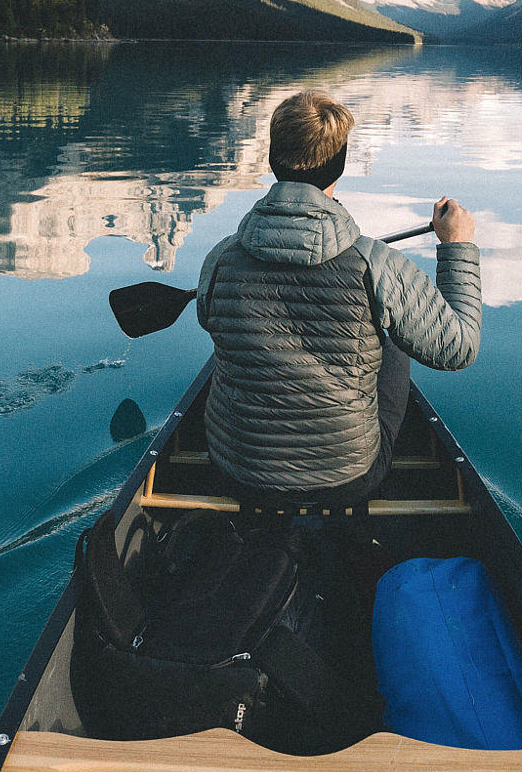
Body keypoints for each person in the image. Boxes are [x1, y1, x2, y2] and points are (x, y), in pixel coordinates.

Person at [195, 90, 481, 508]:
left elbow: (207, 319)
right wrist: (456, 246)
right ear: (340, 164)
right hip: (348, 478)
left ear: (274, 159)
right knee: (393, 340)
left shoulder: (219, 259)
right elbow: (460, 348)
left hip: (235, 471)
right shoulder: (376, 265)